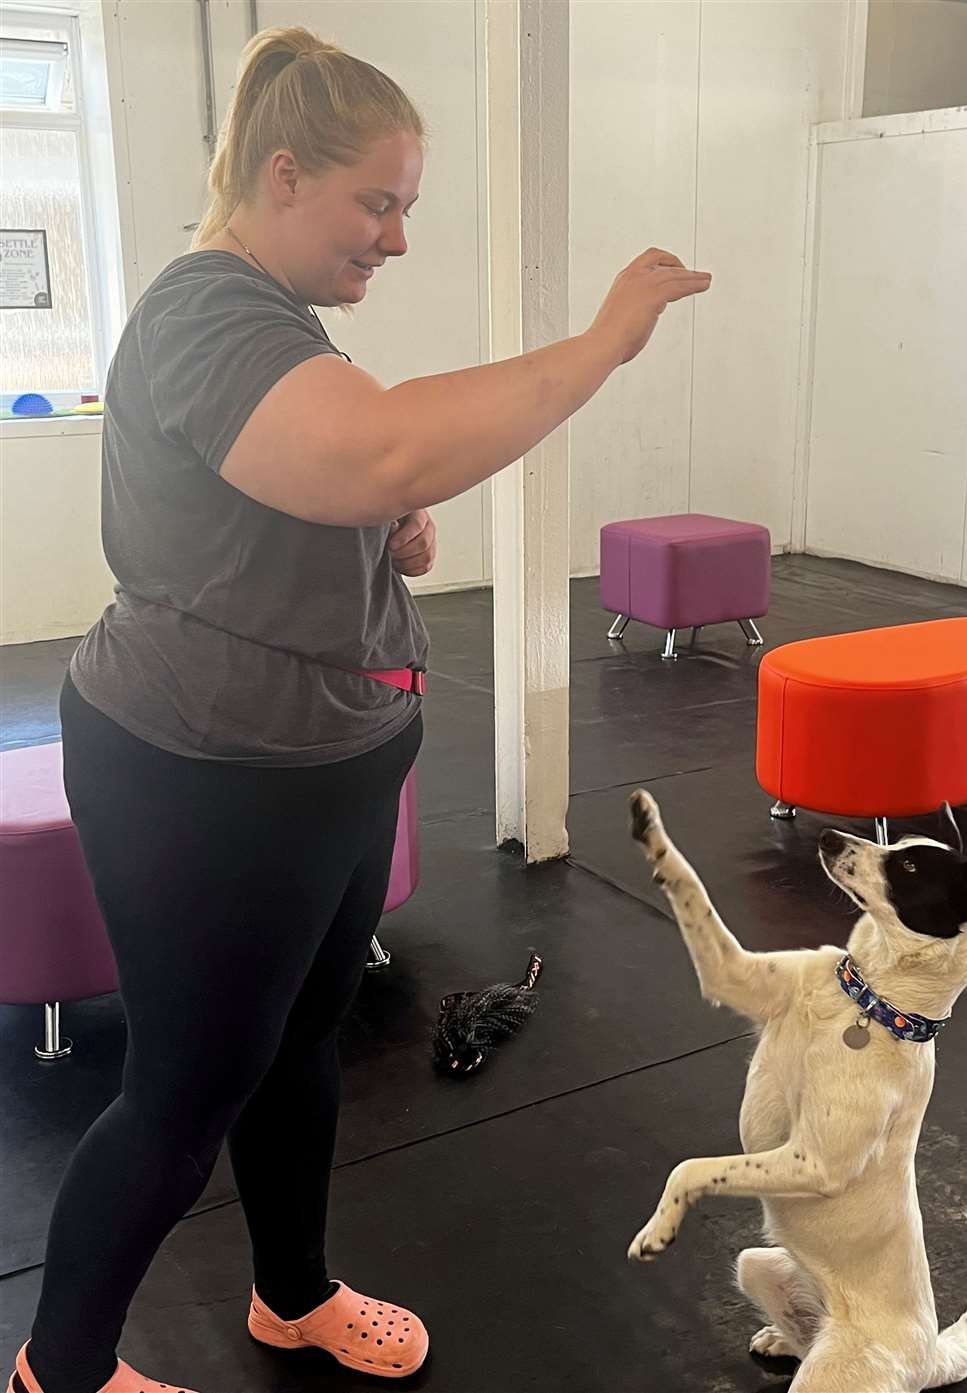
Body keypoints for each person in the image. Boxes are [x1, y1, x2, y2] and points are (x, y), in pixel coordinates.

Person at [8, 24, 710, 1393]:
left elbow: (325, 478)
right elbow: (375, 437)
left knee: (295, 1050)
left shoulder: (282, 321)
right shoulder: (208, 309)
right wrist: (601, 345)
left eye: (406, 209)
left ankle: (293, 1294)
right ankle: (61, 1366)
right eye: (376, 203)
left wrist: (382, 525)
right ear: (281, 177)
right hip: (199, 768)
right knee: (183, 1091)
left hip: (326, 757)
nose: (395, 238)